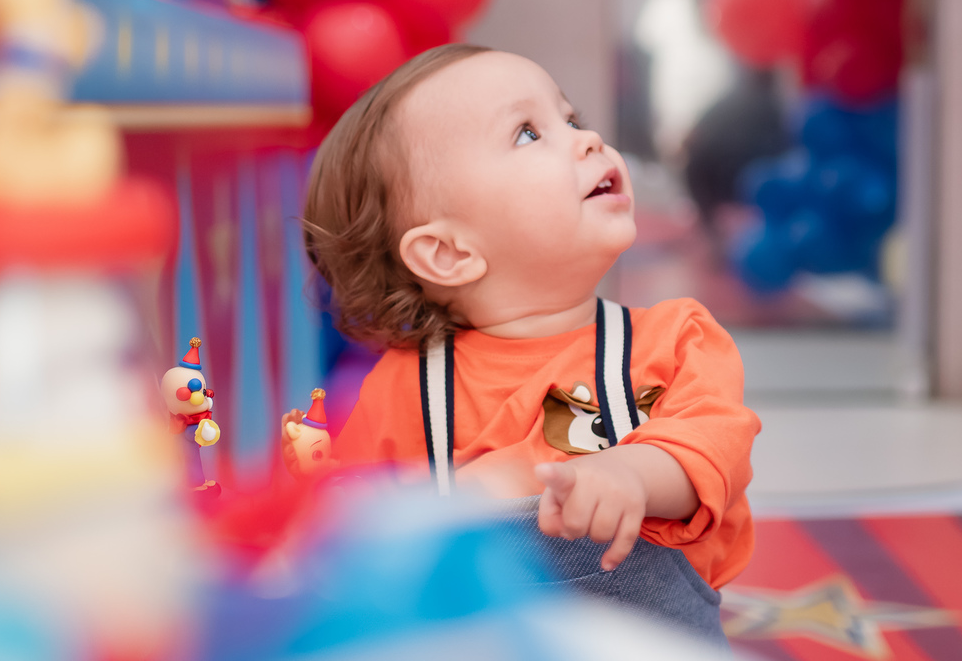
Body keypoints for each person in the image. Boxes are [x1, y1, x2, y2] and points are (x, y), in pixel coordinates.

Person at [284, 44, 760, 645]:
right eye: (529, 133)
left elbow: (711, 450)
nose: (586, 140)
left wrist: (630, 475)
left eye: (572, 119)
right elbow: (359, 548)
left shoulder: (676, 339)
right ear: (449, 253)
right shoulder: (404, 389)